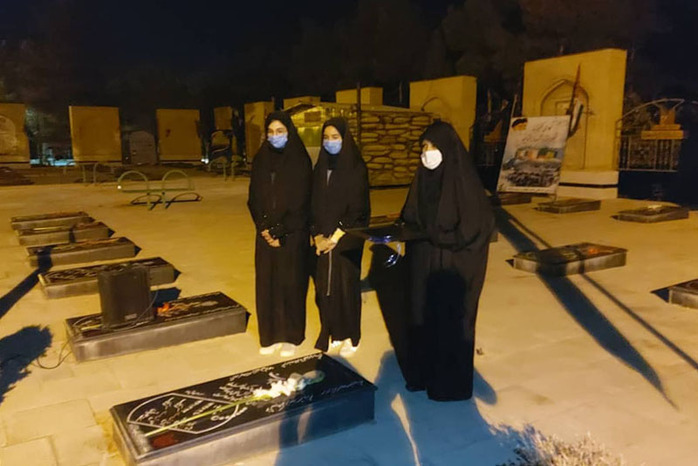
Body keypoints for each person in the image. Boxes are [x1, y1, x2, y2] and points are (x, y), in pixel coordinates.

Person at [400, 120, 494, 401]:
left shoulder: (464, 184)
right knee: (422, 318)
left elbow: (476, 228)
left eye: (431, 147)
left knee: (451, 323)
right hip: (424, 264)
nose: (426, 154)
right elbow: (410, 216)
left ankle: (449, 386)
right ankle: (422, 376)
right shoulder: (423, 180)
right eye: (423, 148)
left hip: (453, 265)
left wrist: (440, 237)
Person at [247, 111, 312, 357]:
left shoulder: (300, 160)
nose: (275, 136)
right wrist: (264, 227)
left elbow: (303, 202)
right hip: (265, 235)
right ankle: (270, 336)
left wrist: (280, 231)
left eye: (280, 131)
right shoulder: (261, 159)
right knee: (267, 285)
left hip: (292, 235)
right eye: (271, 132)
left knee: (291, 285)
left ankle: (291, 336)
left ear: (289, 132)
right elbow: (253, 198)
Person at [311, 117, 370, 357]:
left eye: (335, 137)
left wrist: (335, 237)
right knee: (325, 288)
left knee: (346, 286)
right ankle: (333, 331)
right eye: (326, 137)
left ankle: (351, 335)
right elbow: (312, 205)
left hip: (347, 236)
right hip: (322, 237)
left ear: (345, 139)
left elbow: (358, 209)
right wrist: (317, 235)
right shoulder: (320, 168)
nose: (330, 142)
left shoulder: (356, 168)